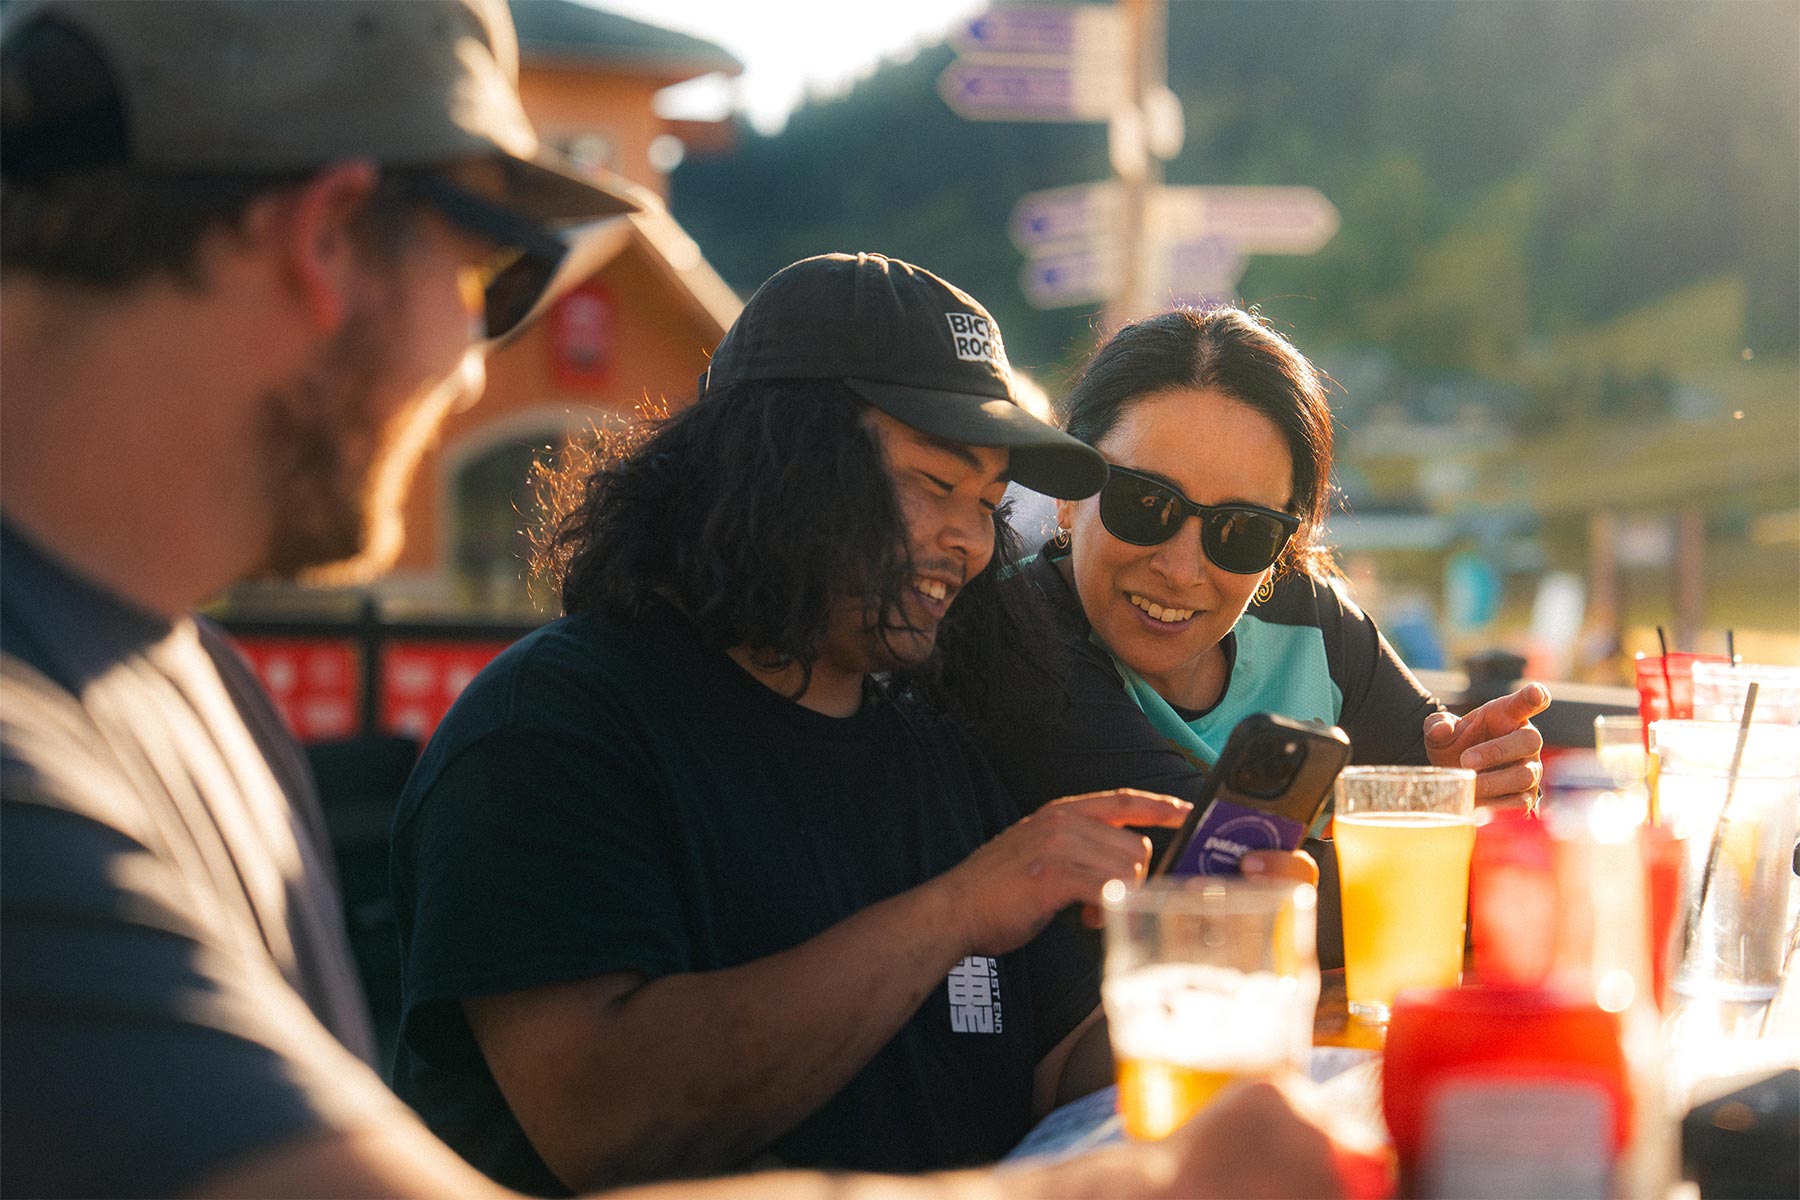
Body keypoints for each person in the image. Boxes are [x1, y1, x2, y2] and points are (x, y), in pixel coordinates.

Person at [0, 4, 1353, 1199]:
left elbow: (1041, 1061)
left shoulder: (192, 693)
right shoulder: (555, 730)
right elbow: (604, 1122)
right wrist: (1093, 1120)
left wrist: (1211, 969)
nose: (474, 370)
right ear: (325, 232)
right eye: (492, 269)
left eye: (985, 498)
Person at [947, 308, 1548, 955]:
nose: (1181, 569)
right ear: (1069, 493)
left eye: (1243, 531)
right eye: (1144, 503)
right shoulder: (1016, 638)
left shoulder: (1311, 620)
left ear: (1282, 547)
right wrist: (1429, 849)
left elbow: (1476, 862)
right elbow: (1209, 897)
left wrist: (1487, 789)